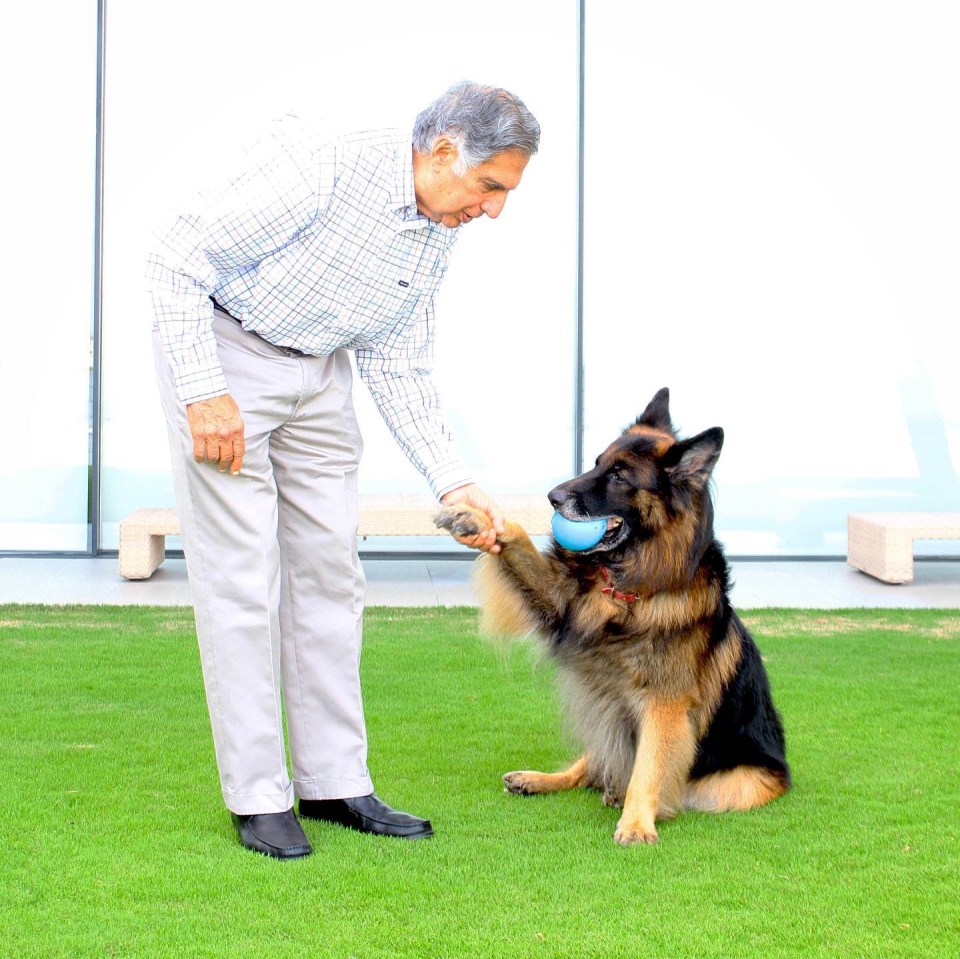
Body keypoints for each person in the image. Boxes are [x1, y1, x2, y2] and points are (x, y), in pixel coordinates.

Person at [146, 81, 540, 859]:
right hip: (227, 357)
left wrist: (451, 479)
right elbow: (176, 256)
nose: (493, 210)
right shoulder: (324, 161)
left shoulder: (439, 226)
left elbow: (398, 360)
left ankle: (332, 779)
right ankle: (259, 796)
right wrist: (202, 391)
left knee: (331, 572)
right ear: (441, 152)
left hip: (321, 372)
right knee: (241, 579)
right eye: (491, 186)